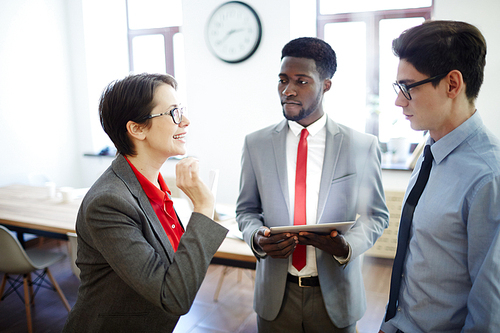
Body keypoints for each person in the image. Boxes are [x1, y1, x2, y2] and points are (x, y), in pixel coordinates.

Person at [236, 37, 389, 333]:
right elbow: (246, 210)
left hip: (336, 294)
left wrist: (346, 246)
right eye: (282, 80)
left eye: (301, 81)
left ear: (326, 85)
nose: (287, 90)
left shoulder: (362, 146)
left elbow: (376, 216)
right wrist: (257, 237)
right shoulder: (255, 144)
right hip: (275, 297)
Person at [63, 73, 228, 332]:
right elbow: (173, 297)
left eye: (181, 110)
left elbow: (178, 271)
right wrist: (204, 209)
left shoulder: (154, 187)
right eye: (174, 113)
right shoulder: (108, 202)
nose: (185, 121)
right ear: (137, 129)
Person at [380, 20, 500, 333]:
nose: (398, 101)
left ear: (452, 84)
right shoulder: (431, 150)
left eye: (408, 87)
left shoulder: (488, 176)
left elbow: (489, 310)